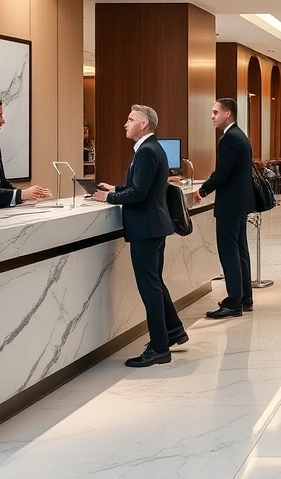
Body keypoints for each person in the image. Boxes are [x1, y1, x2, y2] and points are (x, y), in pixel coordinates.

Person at [92, 105, 185, 368]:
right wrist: (117, 188)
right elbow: (140, 187)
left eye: (131, 119)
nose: (125, 123)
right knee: (155, 282)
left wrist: (109, 196)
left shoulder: (146, 151)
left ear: (144, 125)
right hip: (154, 227)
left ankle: (158, 348)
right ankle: (173, 330)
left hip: (146, 229)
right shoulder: (153, 148)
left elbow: (139, 194)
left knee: (150, 288)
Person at [194, 98, 257, 319]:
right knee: (240, 250)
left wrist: (202, 190)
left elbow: (222, 173)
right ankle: (244, 297)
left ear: (227, 113)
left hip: (230, 204)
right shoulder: (240, 135)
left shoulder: (230, 138)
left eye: (215, 112)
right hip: (240, 202)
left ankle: (233, 303)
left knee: (229, 252)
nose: (212, 116)